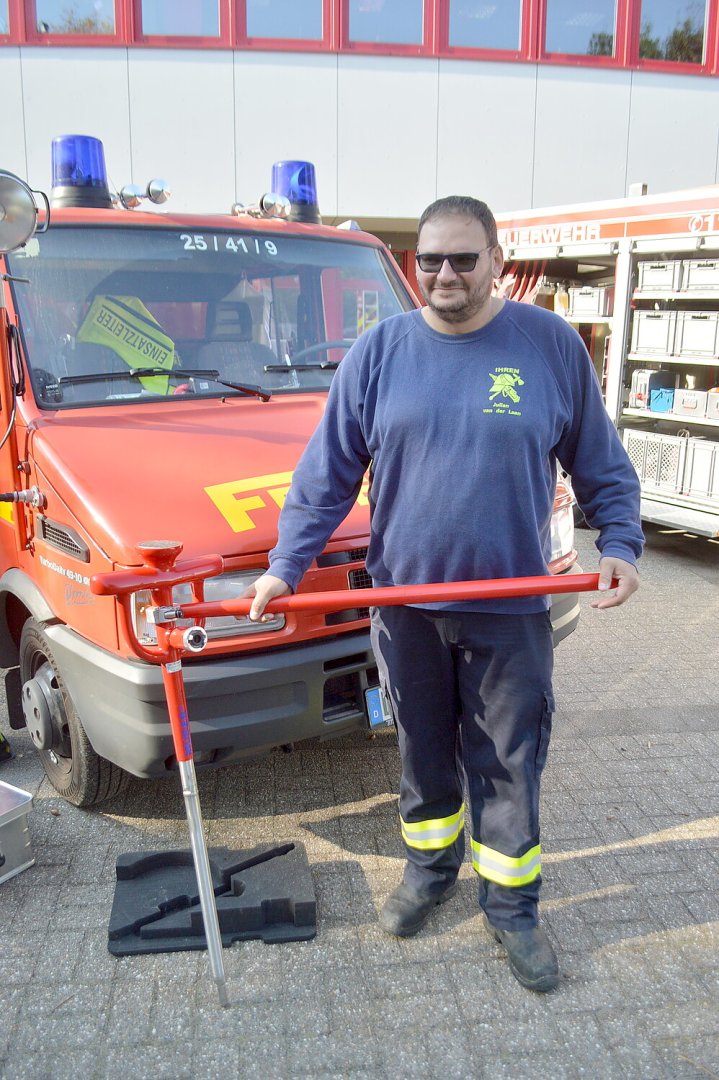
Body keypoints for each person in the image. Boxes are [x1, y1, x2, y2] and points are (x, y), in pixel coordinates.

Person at [247, 195, 643, 993]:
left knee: (505, 760)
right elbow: (325, 475)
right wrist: (285, 567)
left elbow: (599, 460)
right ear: (412, 264)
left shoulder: (547, 346)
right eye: (429, 259)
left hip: (509, 611)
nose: (445, 274)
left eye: (463, 258)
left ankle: (512, 905)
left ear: (497, 260)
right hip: (405, 612)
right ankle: (429, 872)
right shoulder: (380, 351)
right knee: (422, 753)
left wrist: (622, 543)